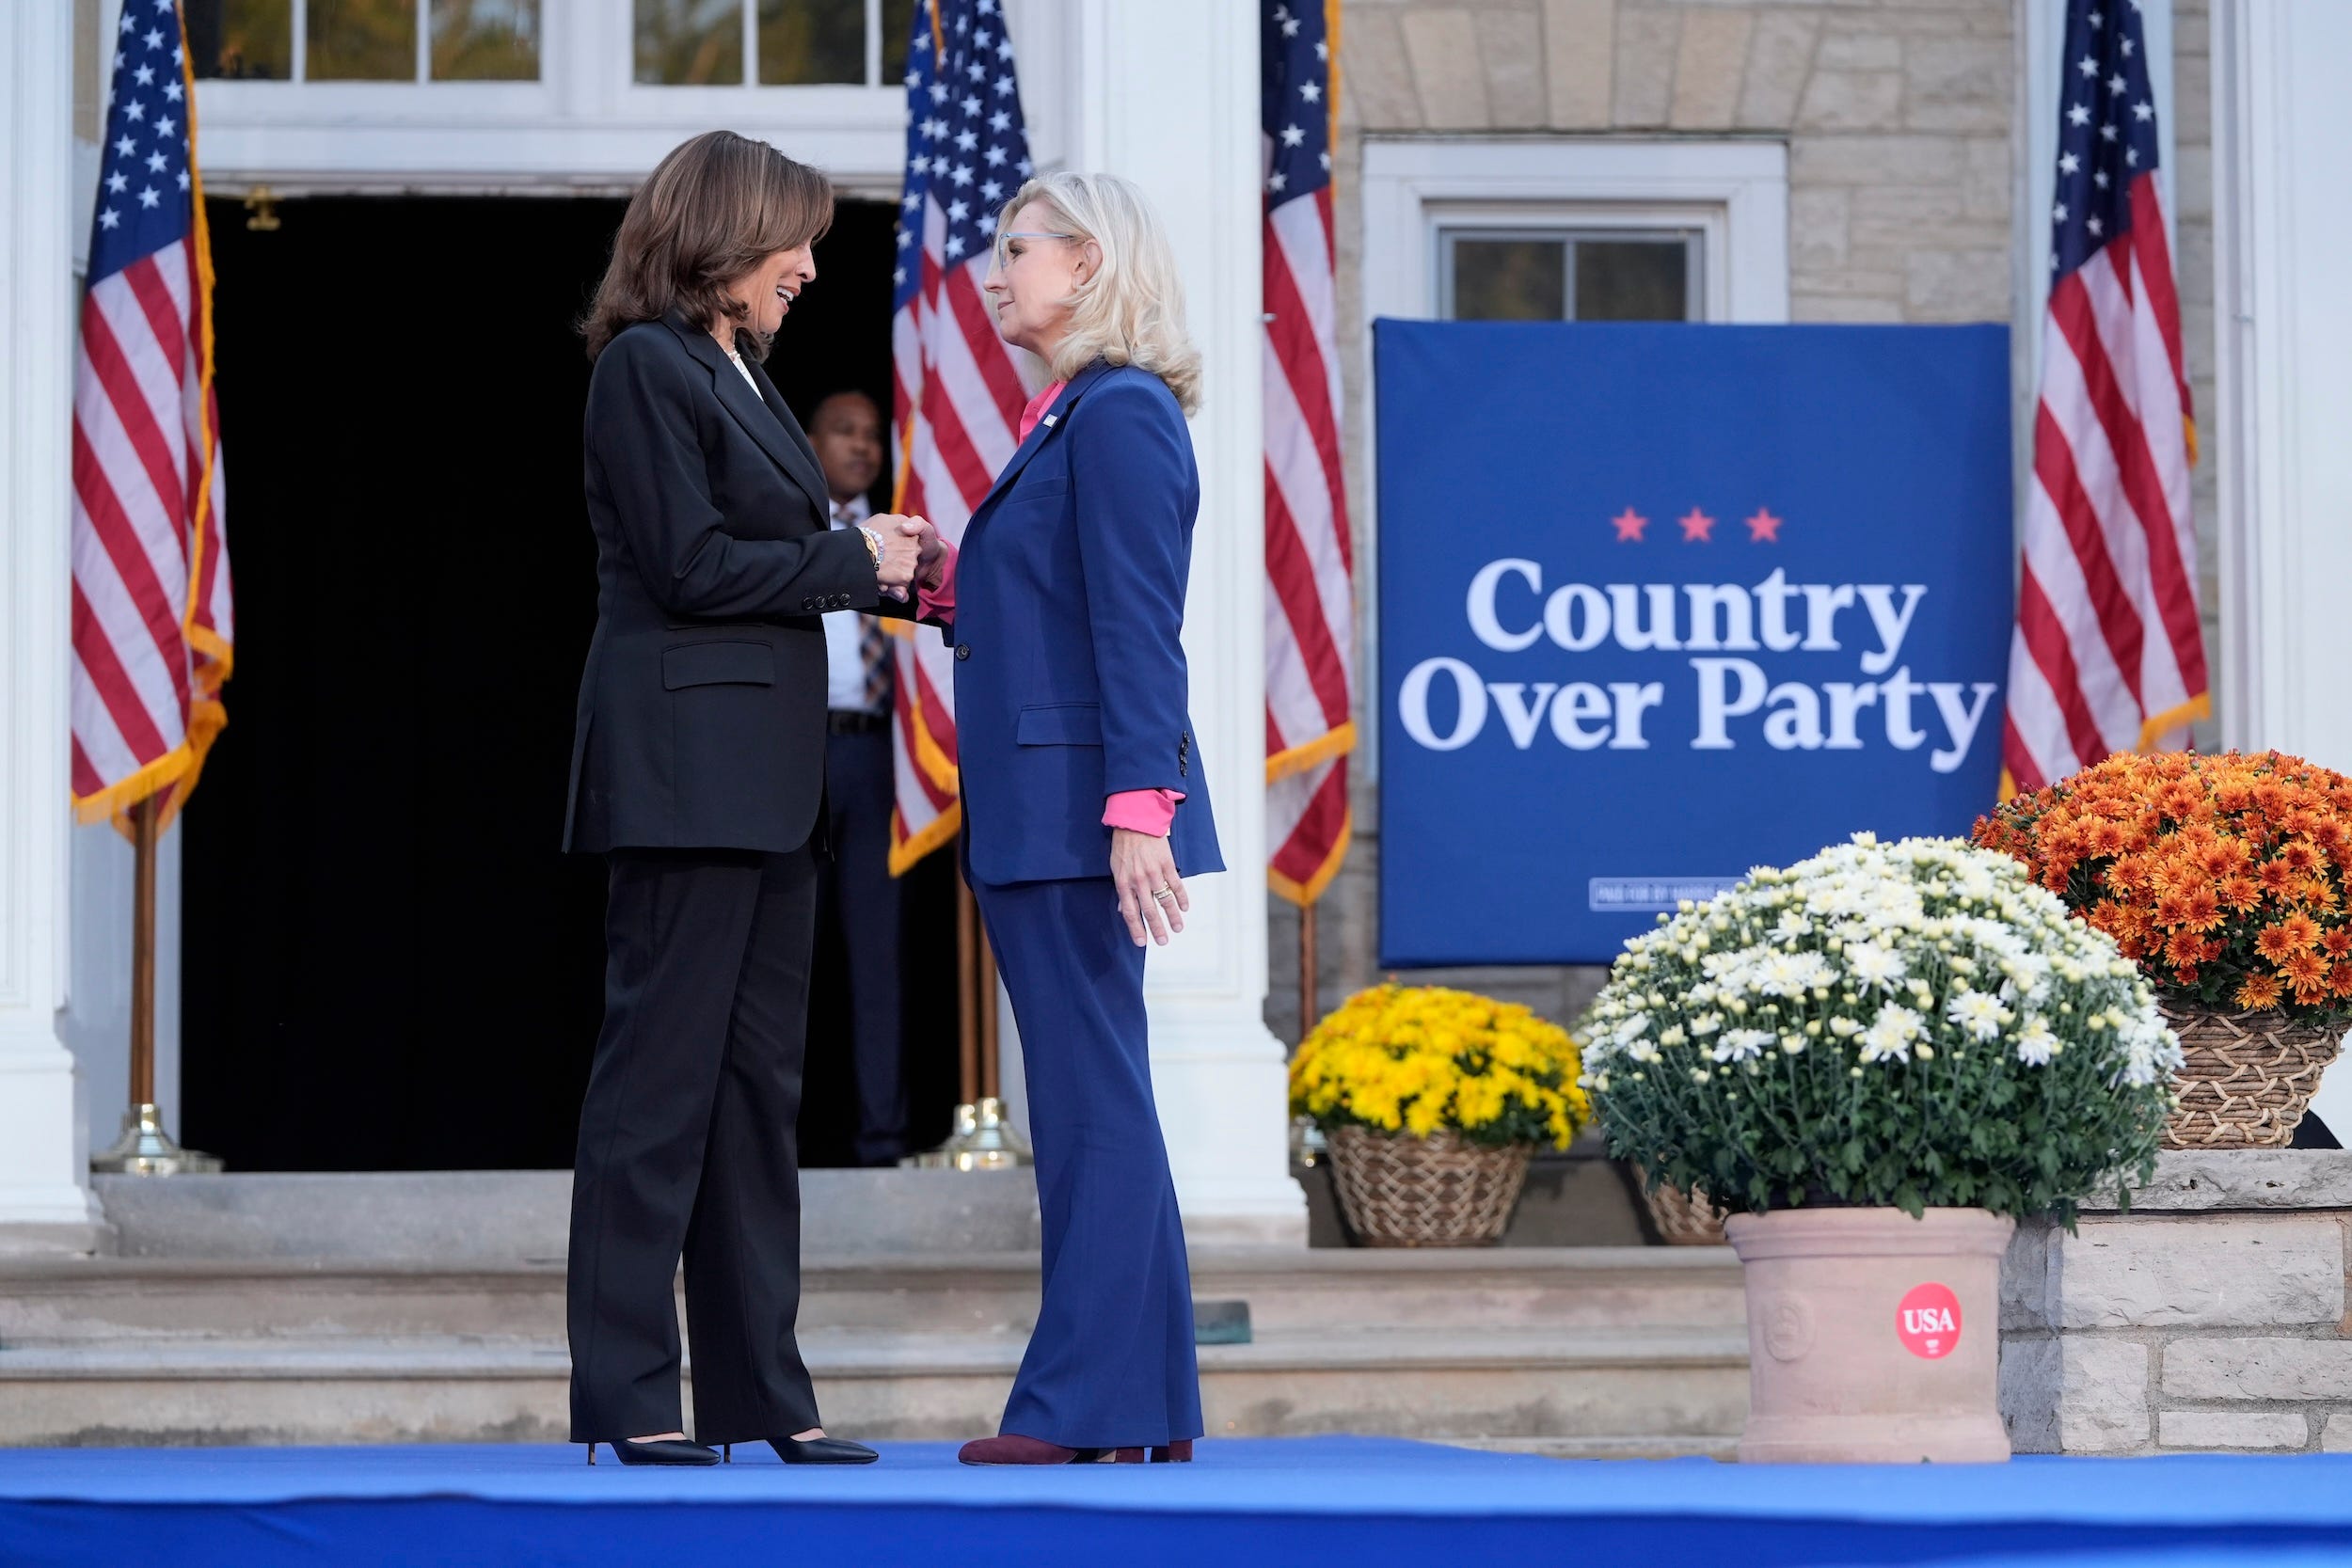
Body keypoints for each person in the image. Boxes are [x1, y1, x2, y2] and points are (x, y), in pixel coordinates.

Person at [562, 129, 930, 1469]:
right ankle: (627, 1388)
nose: (811, 267)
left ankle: (760, 1390)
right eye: (797, 240)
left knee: (754, 1102)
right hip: (683, 781)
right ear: (726, 233)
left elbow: (765, 554)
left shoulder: (747, 376)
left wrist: (883, 566)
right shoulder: (646, 368)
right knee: (655, 1097)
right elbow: (692, 563)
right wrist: (848, 558)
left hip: (769, 789)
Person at [908, 171, 1223, 1466]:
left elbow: (1139, 626)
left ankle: (1081, 1403)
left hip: (1082, 814)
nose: (993, 270)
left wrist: (1140, 808)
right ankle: (1147, 1403)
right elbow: (1044, 608)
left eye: (1015, 247)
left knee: (1091, 1105)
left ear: (1088, 263)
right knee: (1105, 1099)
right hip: (1054, 804)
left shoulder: (1121, 413)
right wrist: (937, 584)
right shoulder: (1075, 415)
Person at [805, 389, 910, 1167]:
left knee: (877, 954)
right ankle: (774, 1139)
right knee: (785, 951)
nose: (862, 447)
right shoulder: (787, 526)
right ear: (810, 441)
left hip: (876, 757)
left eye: (872, 435)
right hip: (797, 756)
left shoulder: (905, 533)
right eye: (844, 432)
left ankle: (883, 1140)